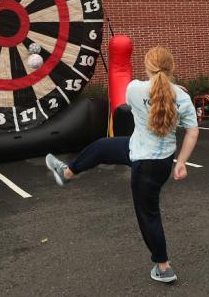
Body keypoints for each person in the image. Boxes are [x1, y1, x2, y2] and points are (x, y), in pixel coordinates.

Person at [45, 46, 199, 283]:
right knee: (102, 147)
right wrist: (182, 163)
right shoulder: (182, 96)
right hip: (156, 158)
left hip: (144, 162)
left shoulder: (135, 89)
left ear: (147, 67)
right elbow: (192, 132)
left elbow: (143, 94)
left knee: (148, 215)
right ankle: (67, 172)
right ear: (172, 68)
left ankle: (164, 267)